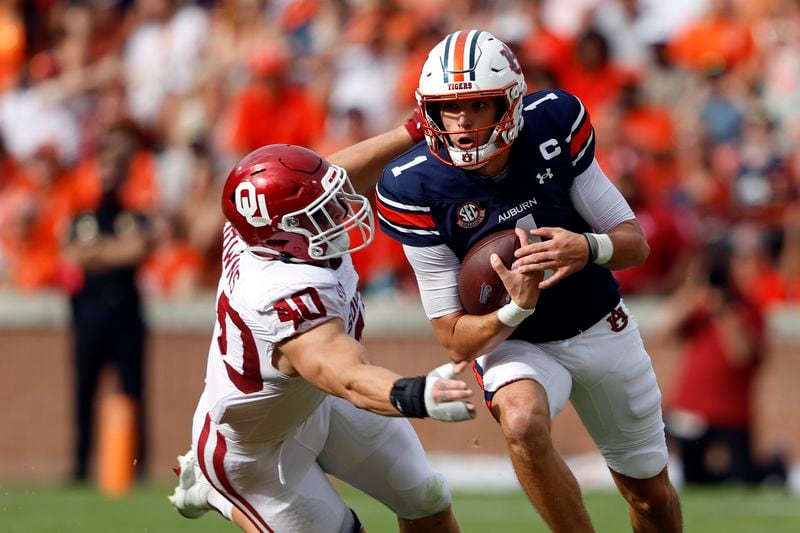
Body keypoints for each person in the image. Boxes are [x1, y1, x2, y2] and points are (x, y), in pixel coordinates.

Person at [376, 30, 683, 532]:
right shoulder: (413, 184)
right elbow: (452, 338)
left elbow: (634, 243)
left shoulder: (553, 122)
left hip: (597, 321)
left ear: (512, 101)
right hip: (515, 340)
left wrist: (586, 247)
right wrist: (513, 308)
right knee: (520, 420)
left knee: (649, 494)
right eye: (448, 108)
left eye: (478, 105)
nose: (462, 121)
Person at [170, 141, 476, 533]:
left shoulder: (259, 230)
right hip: (258, 452)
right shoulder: (284, 293)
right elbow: (346, 375)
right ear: (286, 234)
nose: (339, 210)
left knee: (426, 496)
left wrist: (414, 128)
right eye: (322, 211)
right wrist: (416, 394)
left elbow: (329, 175)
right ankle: (217, 491)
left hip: (313, 402)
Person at [62, 120, 153, 482]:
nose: (107, 176)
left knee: (133, 391)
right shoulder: (81, 217)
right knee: (84, 392)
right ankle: (81, 466)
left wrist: (97, 252)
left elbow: (136, 251)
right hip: (88, 318)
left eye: (114, 169)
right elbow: (71, 255)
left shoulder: (133, 217)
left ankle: (137, 466)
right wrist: (111, 252)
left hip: (126, 318)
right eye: (102, 168)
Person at [658, 234, 787, 486]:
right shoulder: (698, 307)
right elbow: (664, 332)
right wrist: (692, 288)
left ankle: (774, 465)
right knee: (694, 478)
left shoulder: (748, 311)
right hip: (692, 412)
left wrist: (723, 309)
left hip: (731, 414)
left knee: (743, 477)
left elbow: (741, 355)